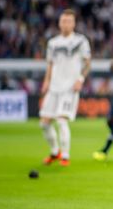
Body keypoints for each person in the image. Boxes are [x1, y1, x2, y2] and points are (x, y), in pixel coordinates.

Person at [39, 9, 91, 166]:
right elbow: (50, 64)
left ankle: (65, 156)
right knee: (44, 123)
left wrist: (80, 79)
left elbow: (87, 63)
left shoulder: (81, 41)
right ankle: (55, 152)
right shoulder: (53, 43)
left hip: (69, 87)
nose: (66, 24)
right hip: (54, 87)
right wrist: (46, 81)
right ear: (59, 23)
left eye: (69, 21)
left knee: (61, 120)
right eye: (63, 21)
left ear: (74, 23)